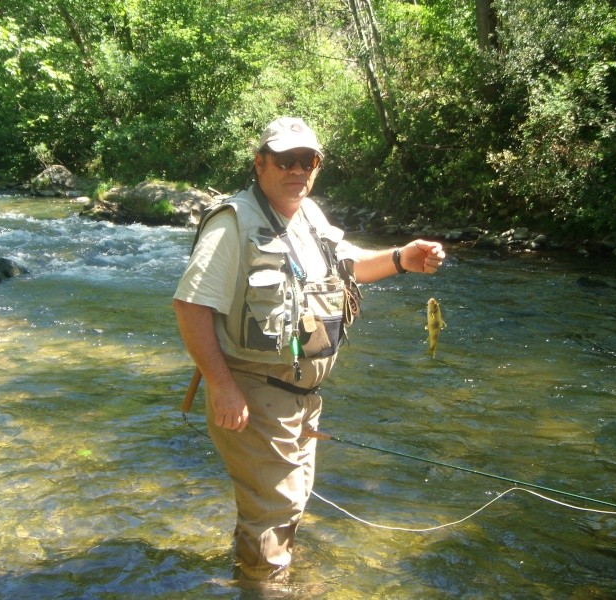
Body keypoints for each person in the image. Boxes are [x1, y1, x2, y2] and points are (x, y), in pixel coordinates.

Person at [172, 116, 445, 582]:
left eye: (309, 160)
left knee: (289, 501)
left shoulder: (309, 214)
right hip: (255, 393)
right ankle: (265, 586)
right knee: (274, 508)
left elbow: (351, 264)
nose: (298, 169)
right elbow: (190, 305)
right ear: (260, 164)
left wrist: (402, 258)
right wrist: (222, 387)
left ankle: (259, 575)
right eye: (285, 160)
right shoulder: (233, 223)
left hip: (301, 398)